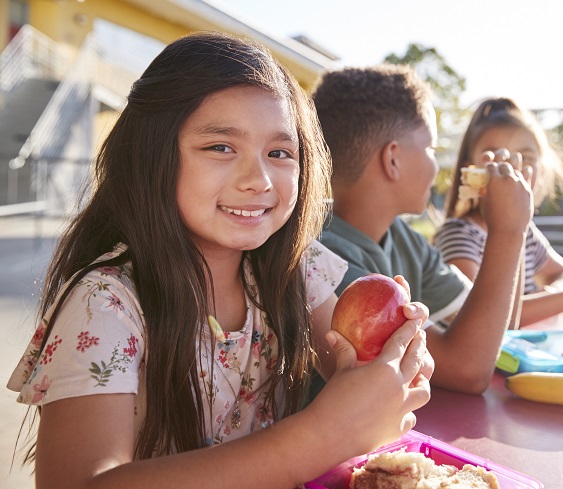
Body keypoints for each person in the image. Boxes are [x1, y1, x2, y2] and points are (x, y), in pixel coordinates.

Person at [6, 33, 434, 489]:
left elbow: (353, 369)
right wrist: (316, 437)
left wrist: (393, 359)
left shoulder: (295, 268)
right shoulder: (106, 305)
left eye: (280, 153)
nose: (259, 179)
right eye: (221, 147)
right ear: (152, 155)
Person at [312, 64, 534, 395]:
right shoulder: (324, 255)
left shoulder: (403, 239)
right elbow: (467, 369)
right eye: (430, 148)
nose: (436, 164)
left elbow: (499, 326)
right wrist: (507, 232)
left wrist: (513, 222)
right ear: (393, 159)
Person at [436, 97, 563, 326]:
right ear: (469, 167)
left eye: (526, 158)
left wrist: (546, 297)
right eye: (494, 158)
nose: (511, 169)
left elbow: (561, 274)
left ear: (542, 171)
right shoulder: (459, 235)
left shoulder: (527, 233)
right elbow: (480, 317)